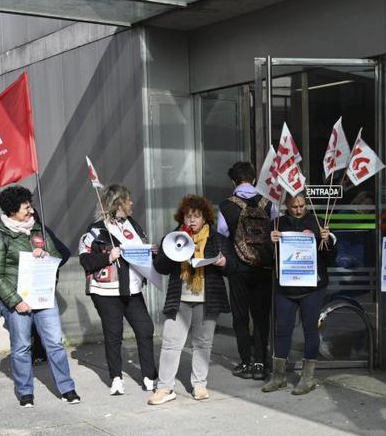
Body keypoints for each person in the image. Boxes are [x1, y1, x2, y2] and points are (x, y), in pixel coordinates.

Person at [0, 185, 79, 408]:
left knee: (55, 343)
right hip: (17, 302)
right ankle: (25, 391)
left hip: (43, 297)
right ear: (12, 210)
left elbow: (57, 256)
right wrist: (16, 302)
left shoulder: (39, 230)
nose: (30, 210)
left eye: (30, 205)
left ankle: (67, 388)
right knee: (21, 347)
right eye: (25, 207)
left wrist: (45, 255)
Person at [148, 194, 228, 405]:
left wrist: (223, 263)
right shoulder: (174, 237)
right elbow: (160, 268)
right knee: (171, 343)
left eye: (196, 216)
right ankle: (165, 388)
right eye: (187, 216)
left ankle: (199, 384)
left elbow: (232, 268)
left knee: (202, 343)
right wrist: (169, 250)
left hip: (206, 299)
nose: (191, 220)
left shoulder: (216, 239)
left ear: (205, 218)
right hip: (180, 299)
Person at [78, 184, 156, 395]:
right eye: (128, 199)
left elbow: (139, 248)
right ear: (118, 203)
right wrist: (108, 256)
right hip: (106, 292)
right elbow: (85, 260)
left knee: (145, 329)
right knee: (114, 335)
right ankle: (116, 378)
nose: (131, 203)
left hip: (132, 289)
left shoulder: (133, 224)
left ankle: (149, 376)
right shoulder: (95, 230)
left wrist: (152, 251)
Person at [262, 194, 337, 395]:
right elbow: (264, 258)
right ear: (287, 205)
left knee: (310, 329)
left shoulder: (317, 222)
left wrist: (327, 240)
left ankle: (307, 378)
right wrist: (270, 242)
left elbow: (331, 258)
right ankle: (278, 377)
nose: (298, 209)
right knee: (282, 329)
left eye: (302, 205)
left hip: (313, 286)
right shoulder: (277, 223)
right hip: (285, 286)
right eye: (294, 206)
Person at [218, 161, 275, 381]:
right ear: (253, 179)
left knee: (240, 316)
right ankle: (261, 362)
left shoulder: (226, 205)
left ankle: (245, 361)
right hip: (264, 267)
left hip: (238, 268)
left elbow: (222, 235)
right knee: (261, 316)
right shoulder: (269, 204)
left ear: (233, 181)